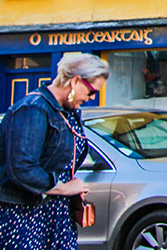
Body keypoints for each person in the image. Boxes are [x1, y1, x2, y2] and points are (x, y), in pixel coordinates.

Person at [0, 53, 110, 250]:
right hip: (24, 214)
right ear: (76, 81)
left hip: (56, 212)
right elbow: (22, 168)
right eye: (91, 91)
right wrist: (64, 187)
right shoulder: (32, 109)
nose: (91, 98)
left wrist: (71, 186)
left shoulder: (67, 112)